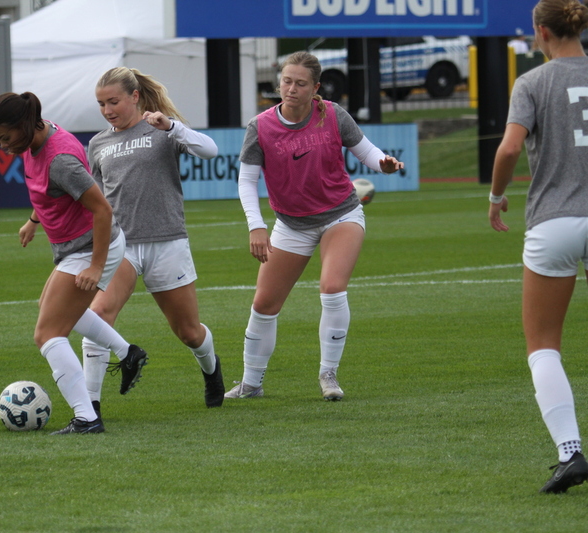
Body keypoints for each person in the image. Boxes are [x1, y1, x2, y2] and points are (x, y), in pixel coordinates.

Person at [225, 51, 404, 402]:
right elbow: (247, 182)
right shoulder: (260, 126)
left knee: (332, 287)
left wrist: (383, 163)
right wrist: (256, 226)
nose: (291, 88)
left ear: (315, 88)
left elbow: (366, 152)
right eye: (286, 81)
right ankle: (251, 384)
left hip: (341, 214)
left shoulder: (333, 115)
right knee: (264, 304)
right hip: (291, 224)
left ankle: (328, 376)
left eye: (300, 83)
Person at [0, 91, 148, 434]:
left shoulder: (60, 159)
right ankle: (127, 352)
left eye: (5, 137)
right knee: (53, 308)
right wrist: (34, 220)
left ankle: (87, 418)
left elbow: (102, 209)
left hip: (89, 247)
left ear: (25, 125)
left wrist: (95, 266)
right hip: (74, 247)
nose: (2, 145)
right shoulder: (35, 138)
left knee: (47, 333)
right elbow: (49, 192)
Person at [82, 67, 225, 411]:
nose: (107, 110)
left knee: (189, 332)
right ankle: (89, 407)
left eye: (113, 101)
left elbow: (210, 150)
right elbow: (95, 199)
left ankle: (211, 369)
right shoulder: (98, 144)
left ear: (134, 96)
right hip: (121, 246)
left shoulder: (162, 128)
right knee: (98, 315)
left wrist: (173, 127)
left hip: (167, 242)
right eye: (101, 104)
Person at [489, 0, 588, 494]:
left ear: (542, 32)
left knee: (543, 345)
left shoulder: (531, 82)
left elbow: (509, 148)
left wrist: (495, 197)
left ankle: (570, 452)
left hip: (555, 221)